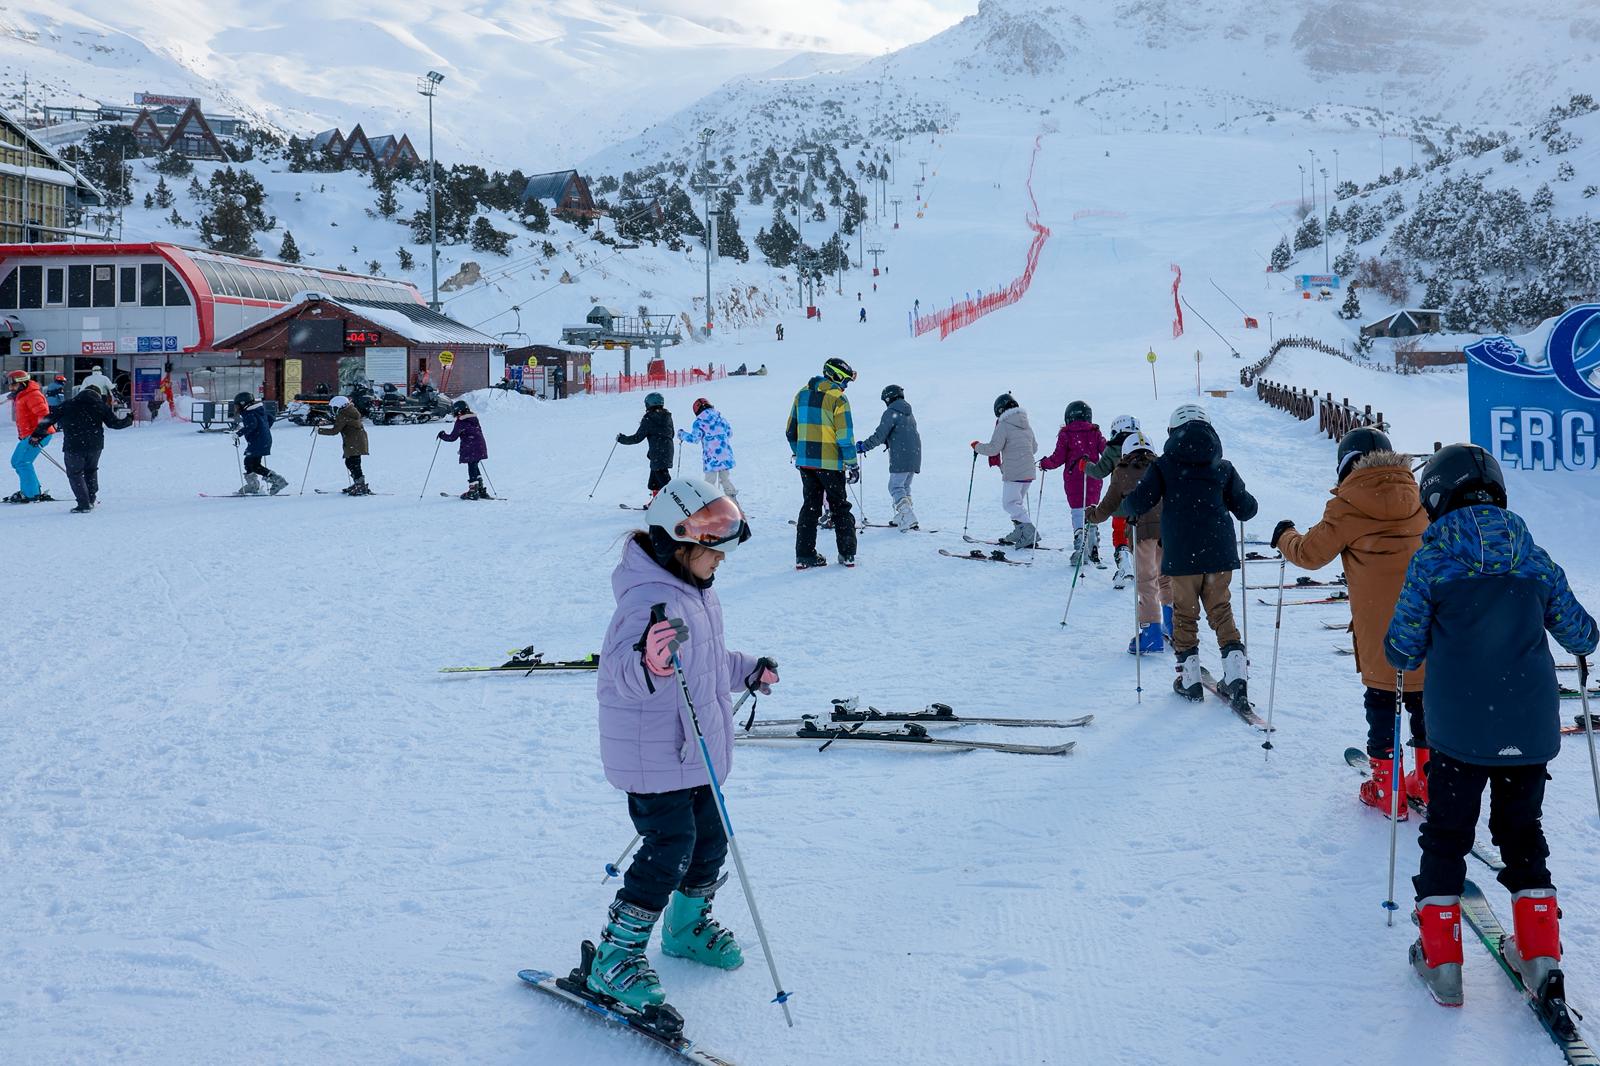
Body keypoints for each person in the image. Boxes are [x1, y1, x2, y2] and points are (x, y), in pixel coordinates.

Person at [1387, 444, 1597, 1010]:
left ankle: (1443, 964)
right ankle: (1540, 954)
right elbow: (1582, 635)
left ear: (1436, 496)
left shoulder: (1433, 560)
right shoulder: (1534, 556)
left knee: (1447, 836)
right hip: (1527, 729)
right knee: (1522, 833)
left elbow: (1402, 648)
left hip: (1457, 731)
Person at [587, 477, 776, 1010]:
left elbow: (706, 661)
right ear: (677, 543)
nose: (721, 560)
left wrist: (746, 670)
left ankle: (685, 927)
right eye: (712, 550)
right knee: (669, 849)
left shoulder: (694, 592)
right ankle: (615, 955)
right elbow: (618, 675)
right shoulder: (646, 601)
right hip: (653, 757)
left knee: (710, 839)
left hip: (695, 753)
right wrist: (649, 663)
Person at [1271, 428, 1426, 815]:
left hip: (1380, 629)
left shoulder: (1348, 505)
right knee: (1425, 700)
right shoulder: (1420, 498)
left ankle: (1387, 789)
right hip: (1425, 621)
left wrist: (1285, 535)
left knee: (1383, 701)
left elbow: (1309, 554)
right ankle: (1429, 781)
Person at [1124, 404, 1258, 705]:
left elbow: (1139, 502)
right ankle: (1236, 677)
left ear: (1172, 433)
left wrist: (1127, 506)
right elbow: (1247, 509)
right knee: (1221, 609)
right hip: (1219, 552)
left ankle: (1190, 679)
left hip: (1183, 555)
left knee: (1185, 615)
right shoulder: (1223, 467)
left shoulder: (1164, 466)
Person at [1085, 430, 1169, 652]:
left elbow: (1108, 506)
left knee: (1146, 581)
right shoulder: (1162, 467)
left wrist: (1092, 515)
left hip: (1141, 532)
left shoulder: (1122, 471)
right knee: (1166, 577)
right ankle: (1173, 625)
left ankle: (1151, 632)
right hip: (1167, 530)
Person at [786, 357, 859, 569]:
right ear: (835, 376)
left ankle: (804, 556)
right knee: (840, 507)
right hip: (830, 463)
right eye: (845, 381)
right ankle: (847, 554)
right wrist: (852, 463)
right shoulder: (839, 399)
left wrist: (799, 452)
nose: (846, 386)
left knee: (810, 506)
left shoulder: (801, 394)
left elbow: (791, 431)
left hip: (806, 463)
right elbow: (845, 436)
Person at [28, 383, 132, 512]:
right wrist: (129, 419)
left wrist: (36, 435)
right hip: (95, 446)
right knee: (91, 470)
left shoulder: (67, 404)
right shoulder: (100, 405)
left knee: (75, 474)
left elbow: (47, 420)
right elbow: (115, 424)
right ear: (98, 395)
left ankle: (83, 503)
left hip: (73, 445)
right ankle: (91, 499)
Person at [1038, 400, 1107, 566]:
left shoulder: (1066, 434)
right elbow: (1106, 451)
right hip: (1094, 476)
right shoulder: (1095, 432)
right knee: (1091, 509)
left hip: (1074, 480)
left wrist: (1045, 463)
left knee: (1077, 511)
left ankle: (1080, 543)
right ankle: (1092, 539)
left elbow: (1058, 458)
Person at [1085, 415, 1143, 593]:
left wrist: (1085, 465)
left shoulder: (1113, 449)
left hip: (1119, 501)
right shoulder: (1143, 447)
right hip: (1143, 501)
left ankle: (1125, 565)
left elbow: (1099, 472)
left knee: (1120, 533)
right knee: (1140, 535)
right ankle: (1143, 567)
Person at [972, 393, 1038, 548]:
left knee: (1010, 504)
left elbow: (994, 448)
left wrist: (977, 446)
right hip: (1029, 471)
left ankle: (1029, 532)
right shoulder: (1026, 424)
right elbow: (1034, 448)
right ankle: (1020, 531)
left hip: (1014, 473)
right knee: (1017, 504)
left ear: (1000, 410)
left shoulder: (1003, 425)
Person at [855, 383, 921, 530]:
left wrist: (864, 446)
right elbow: (900, 432)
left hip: (901, 455)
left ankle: (908, 516)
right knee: (904, 486)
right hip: (914, 455)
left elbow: (880, 435)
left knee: (895, 486)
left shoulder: (891, 412)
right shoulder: (908, 413)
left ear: (889, 398)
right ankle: (903, 516)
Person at [6, 370, 56, 504]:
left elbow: (44, 416)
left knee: (22, 462)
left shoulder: (33, 395)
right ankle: (32, 490)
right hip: (30, 434)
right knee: (18, 461)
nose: (11, 388)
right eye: (9, 385)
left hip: (38, 434)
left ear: (22, 383)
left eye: (13, 385)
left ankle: (31, 494)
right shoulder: (22, 395)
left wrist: (37, 435)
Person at [617, 392, 675, 502]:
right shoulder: (667, 417)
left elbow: (637, 438)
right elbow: (672, 434)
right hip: (667, 451)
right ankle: (657, 502)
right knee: (654, 481)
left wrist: (622, 439)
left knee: (664, 480)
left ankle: (674, 502)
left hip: (657, 453)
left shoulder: (648, 419)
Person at [678, 398, 736, 498]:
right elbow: (729, 433)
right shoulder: (720, 419)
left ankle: (709, 501)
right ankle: (732, 500)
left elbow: (694, 439)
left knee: (709, 483)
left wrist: (682, 434)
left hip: (711, 458)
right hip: (725, 455)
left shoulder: (699, 422)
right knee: (725, 479)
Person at [234, 392, 289, 495]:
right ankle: (254, 485)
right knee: (252, 463)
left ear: (243, 403)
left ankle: (275, 481)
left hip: (258, 441)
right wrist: (264, 429)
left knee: (252, 464)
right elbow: (271, 418)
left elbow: (252, 424)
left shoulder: (248, 412)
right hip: (263, 440)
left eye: (237, 405)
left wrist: (238, 434)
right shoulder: (258, 410)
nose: (236, 408)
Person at [318, 394, 372, 495]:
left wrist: (319, 430)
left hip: (354, 442)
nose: (333, 410)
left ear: (339, 406)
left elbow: (334, 431)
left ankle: (360, 486)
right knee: (352, 462)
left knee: (354, 463)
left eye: (334, 407)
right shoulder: (350, 411)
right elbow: (342, 423)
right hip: (357, 441)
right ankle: (358, 483)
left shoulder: (343, 415)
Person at [437, 399, 490, 499]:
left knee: (472, 466)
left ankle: (473, 491)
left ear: (459, 411)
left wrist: (442, 435)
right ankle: (480, 489)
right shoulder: (473, 419)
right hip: (480, 446)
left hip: (471, 447)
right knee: (474, 465)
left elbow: (452, 437)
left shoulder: (461, 422)